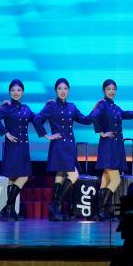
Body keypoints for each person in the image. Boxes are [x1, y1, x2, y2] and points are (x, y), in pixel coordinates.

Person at [87, 79, 133, 221]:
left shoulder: (115, 107)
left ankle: (99, 211)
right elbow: (94, 116)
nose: (111, 91)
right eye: (108, 89)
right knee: (115, 179)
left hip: (115, 147)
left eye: (114, 89)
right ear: (104, 90)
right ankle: (101, 209)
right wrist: (101, 132)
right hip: (108, 147)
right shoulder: (103, 104)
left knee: (106, 179)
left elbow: (130, 114)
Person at [36, 78, 93, 221]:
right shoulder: (51, 106)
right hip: (59, 146)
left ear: (69, 90)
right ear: (56, 90)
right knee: (74, 175)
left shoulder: (72, 107)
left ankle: (56, 210)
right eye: (60, 88)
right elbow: (37, 119)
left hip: (69, 147)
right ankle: (56, 204)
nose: (62, 91)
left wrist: (96, 109)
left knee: (61, 174)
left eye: (65, 88)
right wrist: (46, 135)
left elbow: (85, 120)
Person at [0, 79, 47, 221]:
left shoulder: (26, 108)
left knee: (18, 178)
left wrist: (47, 107)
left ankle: (8, 209)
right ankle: (9, 209)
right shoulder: (7, 107)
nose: (16, 93)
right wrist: (5, 133)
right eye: (13, 90)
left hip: (23, 148)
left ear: (23, 92)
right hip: (12, 147)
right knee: (15, 177)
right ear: (9, 92)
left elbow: (37, 119)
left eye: (19, 90)